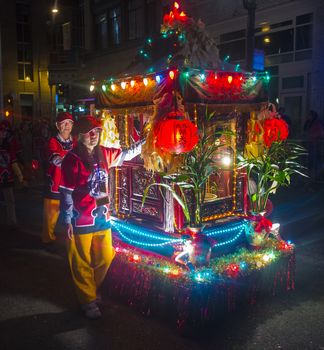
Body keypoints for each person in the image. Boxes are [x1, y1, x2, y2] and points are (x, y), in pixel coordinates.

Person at [59, 115, 144, 319]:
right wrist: (67, 219)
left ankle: (92, 289)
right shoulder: (72, 159)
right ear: (80, 135)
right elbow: (67, 191)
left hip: (102, 216)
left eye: (96, 131)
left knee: (106, 256)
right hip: (80, 217)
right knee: (80, 260)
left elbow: (127, 154)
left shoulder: (104, 153)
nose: (94, 135)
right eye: (89, 132)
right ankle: (88, 300)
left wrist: (148, 141)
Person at [41, 112, 74, 251]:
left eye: (69, 122)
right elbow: (56, 159)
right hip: (55, 183)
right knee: (51, 214)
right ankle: (47, 240)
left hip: (71, 184)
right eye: (63, 122)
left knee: (71, 213)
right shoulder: (53, 141)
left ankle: (70, 239)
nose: (67, 125)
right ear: (57, 125)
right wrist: (73, 166)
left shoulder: (76, 141)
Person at [0, 120, 25, 227]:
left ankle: (12, 221)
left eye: (4, 131)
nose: (3, 133)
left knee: (10, 201)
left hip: (7, 178)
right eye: (1, 131)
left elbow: (14, 162)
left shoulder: (8, 146)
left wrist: (21, 178)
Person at [303, 110, 324, 181]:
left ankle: (315, 178)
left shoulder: (317, 123)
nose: (308, 117)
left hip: (315, 145)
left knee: (315, 161)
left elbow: (320, 133)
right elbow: (305, 130)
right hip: (309, 144)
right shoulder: (308, 122)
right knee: (309, 160)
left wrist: (312, 136)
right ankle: (309, 177)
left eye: (309, 115)